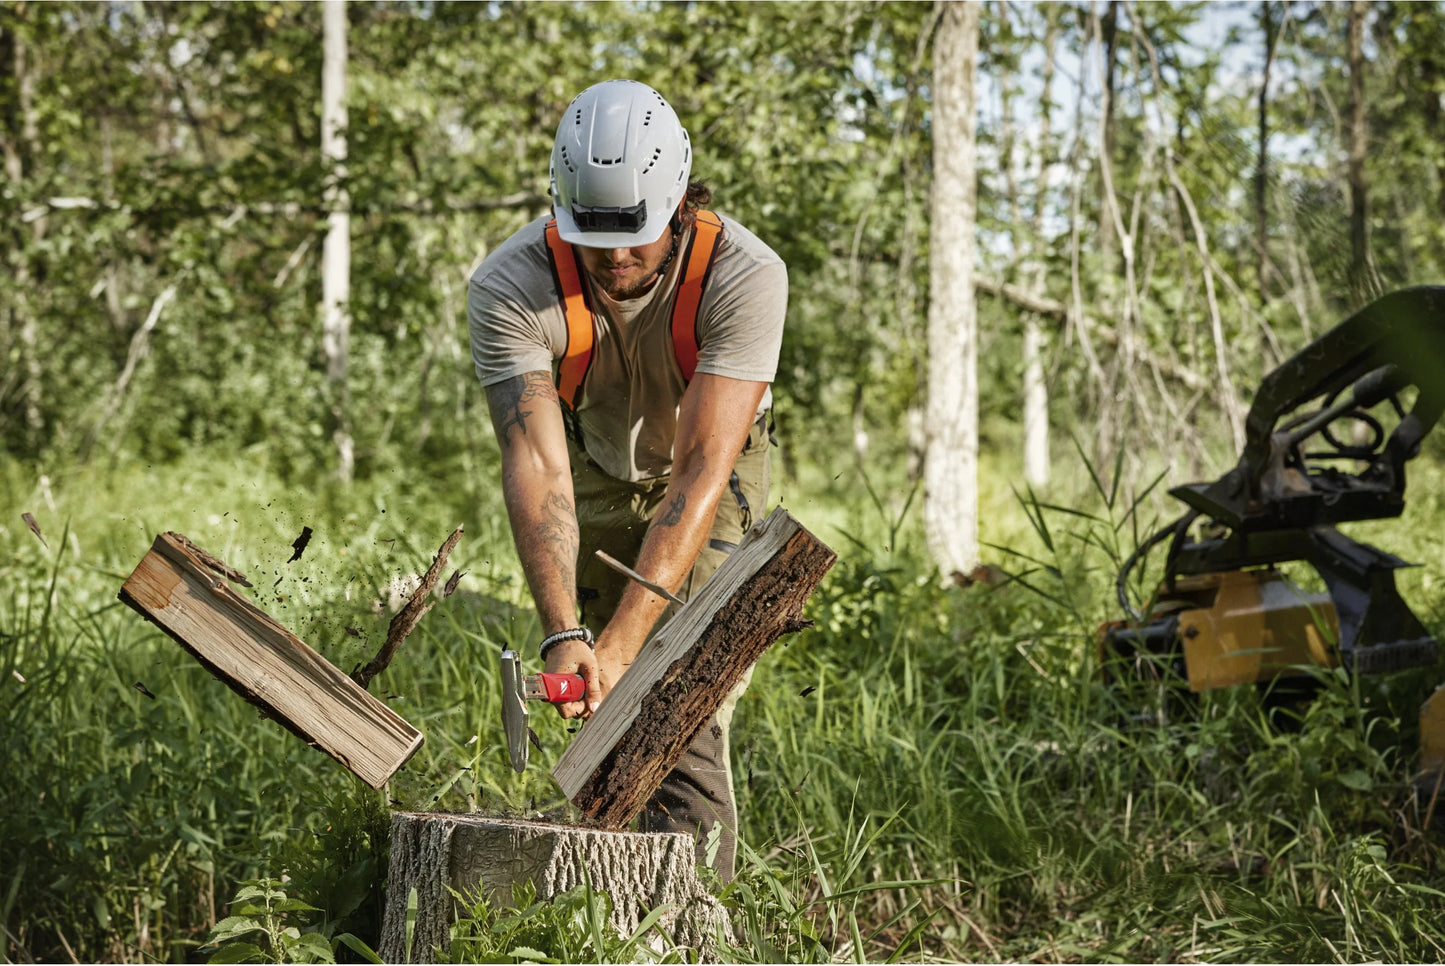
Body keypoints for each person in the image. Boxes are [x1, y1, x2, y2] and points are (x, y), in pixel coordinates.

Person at [466, 79, 788, 881]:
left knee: (676, 686)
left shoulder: (745, 275)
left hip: (713, 467)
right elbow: (538, 465)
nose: (614, 256)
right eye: (594, 233)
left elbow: (700, 467)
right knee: (597, 690)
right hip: (593, 465)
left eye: (635, 233)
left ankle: (688, 913)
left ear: (678, 200)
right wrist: (567, 634)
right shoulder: (509, 286)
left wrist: (625, 640)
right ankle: (594, 892)